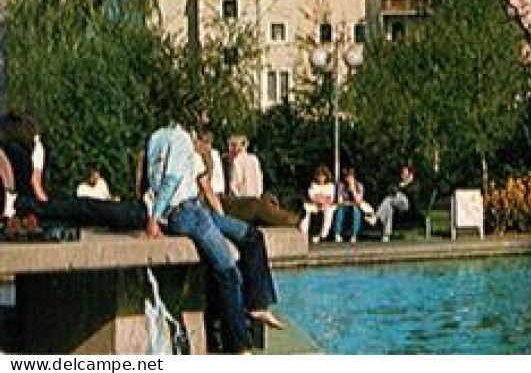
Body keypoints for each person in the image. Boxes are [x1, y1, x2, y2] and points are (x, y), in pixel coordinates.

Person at [145, 104, 285, 354]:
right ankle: (239, 345)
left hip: (195, 211)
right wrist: (154, 217)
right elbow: (172, 179)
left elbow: (151, 180)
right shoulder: (181, 140)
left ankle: (257, 304)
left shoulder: (155, 138)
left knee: (251, 236)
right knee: (227, 272)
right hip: (186, 213)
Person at [0, 113, 143, 231]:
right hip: (21, 203)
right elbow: (34, 184)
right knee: (82, 208)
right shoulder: (24, 150)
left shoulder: (12, 152)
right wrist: (46, 208)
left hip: (17, 203)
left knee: (83, 208)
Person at [373, 165, 416, 242]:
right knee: (389, 209)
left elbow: (411, 196)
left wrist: (406, 184)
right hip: (395, 204)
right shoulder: (398, 182)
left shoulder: (414, 184)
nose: (403, 174)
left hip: (407, 206)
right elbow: (391, 190)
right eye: (402, 173)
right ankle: (386, 235)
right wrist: (399, 187)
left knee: (388, 199)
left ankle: (376, 217)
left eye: (405, 173)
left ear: (410, 174)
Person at [331, 165, 371, 243]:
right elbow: (340, 201)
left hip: (356, 206)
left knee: (356, 210)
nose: (348, 179)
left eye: (350, 176)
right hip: (344, 206)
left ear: (353, 177)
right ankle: (337, 233)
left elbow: (358, 201)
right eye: (346, 177)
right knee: (340, 210)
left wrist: (353, 189)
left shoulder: (359, 186)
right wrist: (347, 202)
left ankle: (354, 234)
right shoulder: (341, 186)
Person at [302, 166, 337, 242]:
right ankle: (304, 233)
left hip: (326, 205)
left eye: (323, 176)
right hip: (315, 205)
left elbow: (330, 198)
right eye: (319, 176)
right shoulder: (313, 185)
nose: (321, 178)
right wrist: (318, 201)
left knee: (329, 210)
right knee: (306, 208)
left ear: (326, 176)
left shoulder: (331, 186)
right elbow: (312, 197)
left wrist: (323, 202)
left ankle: (323, 235)